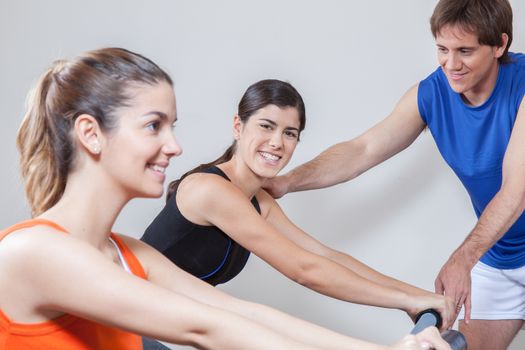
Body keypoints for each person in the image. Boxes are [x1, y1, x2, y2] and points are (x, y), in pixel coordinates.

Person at [0, 47, 451, 350]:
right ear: (91, 135)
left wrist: (393, 340)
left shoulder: (126, 252)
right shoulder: (34, 250)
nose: (175, 146)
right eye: (154, 125)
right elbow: (204, 325)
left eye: (173, 126)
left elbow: (232, 308)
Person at [263, 0, 525, 349]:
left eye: (465, 51)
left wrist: (462, 259)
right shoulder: (431, 94)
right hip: (498, 255)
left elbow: (516, 191)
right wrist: (284, 182)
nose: (451, 64)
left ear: (500, 45)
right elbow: (363, 150)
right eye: (442, 49)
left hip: (480, 251)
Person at [141, 78, 454, 330]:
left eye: (289, 133)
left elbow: (324, 255)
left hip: (156, 325)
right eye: (266, 126)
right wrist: (404, 302)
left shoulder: (258, 202)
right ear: (238, 126)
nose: (277, 142)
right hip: (119, 321)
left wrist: (417, 295)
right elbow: (305, 270)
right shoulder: (210, 190)